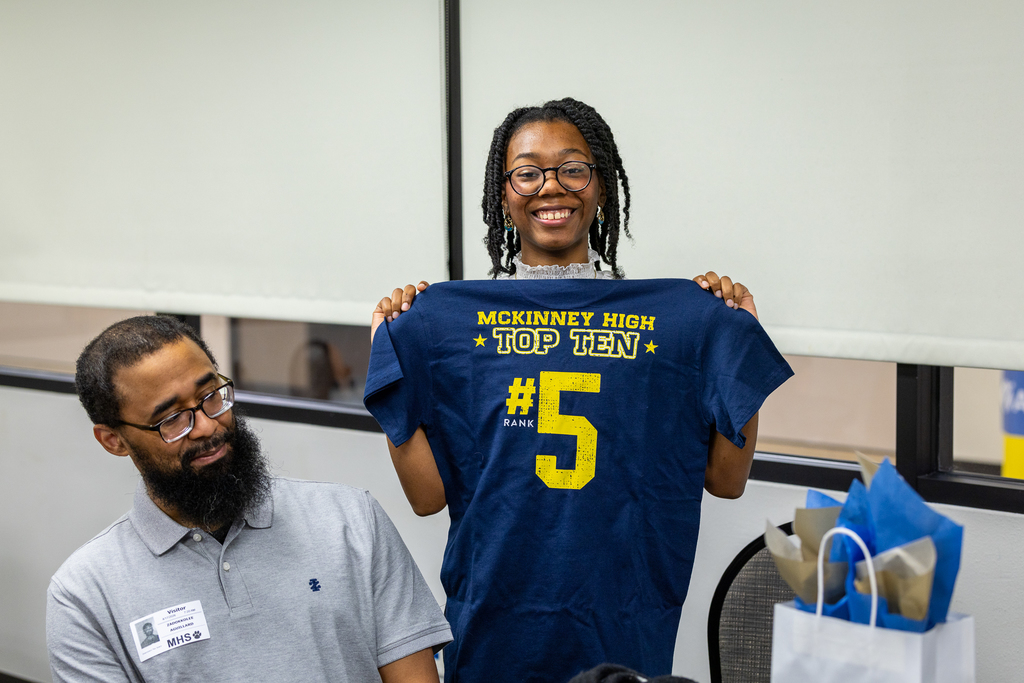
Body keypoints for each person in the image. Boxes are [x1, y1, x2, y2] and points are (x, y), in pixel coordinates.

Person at [363, 98, 792, 682]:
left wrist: (732, 347)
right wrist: (394, 359)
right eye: (527, 171)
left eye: (572, 168)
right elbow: (427, 497)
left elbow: (727, 479)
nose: (551, 187)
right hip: (495, 621)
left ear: (601, 185)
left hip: (622, 623)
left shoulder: (684, 321)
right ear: (503, 191)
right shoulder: (441, 325)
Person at [47, 315, 451, 683]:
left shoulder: (350, 519)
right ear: (113, 440)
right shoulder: (85, 593)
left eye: (211, 395)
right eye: (171, 419)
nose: (207, 426)